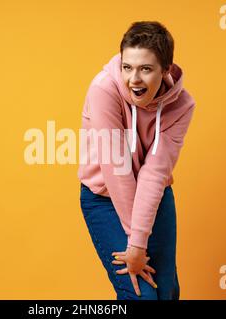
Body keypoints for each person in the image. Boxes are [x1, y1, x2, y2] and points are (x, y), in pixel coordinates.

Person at [78, 21, 196, 300]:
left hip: (155, 197)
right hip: (105, 197)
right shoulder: (104, 89)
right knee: (141, 295)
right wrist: (137, 244)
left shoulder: (182, 106)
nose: (134, 79)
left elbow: (154, 173)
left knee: (165, 291)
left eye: (145, 69)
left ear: (166, 69)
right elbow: (117, 169)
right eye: (127, 67)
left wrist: (139, 242)